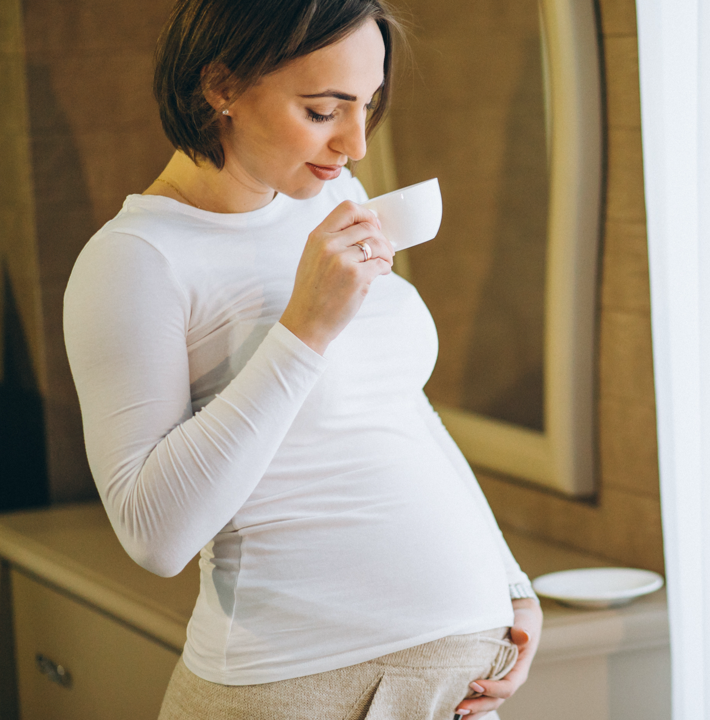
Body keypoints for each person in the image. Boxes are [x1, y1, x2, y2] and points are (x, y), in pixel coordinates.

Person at [62, 0, 542, 717]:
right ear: (219, 86)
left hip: (453, 687)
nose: (355, 144)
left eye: (367, 105)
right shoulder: (134, 262)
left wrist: (507, 580)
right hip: (291, 689)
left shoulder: (328, 197)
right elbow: (153, 534)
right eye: (323, 110)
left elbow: (397, 406)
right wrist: (303, 330)